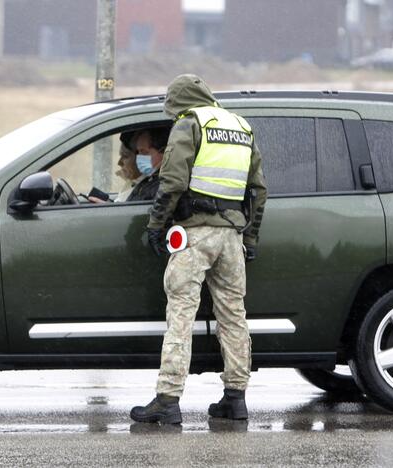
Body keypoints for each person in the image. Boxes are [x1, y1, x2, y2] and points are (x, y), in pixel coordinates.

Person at [130, 74, 267, 424]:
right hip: (232, 237)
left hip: (196, 233)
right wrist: (250, 238)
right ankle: (235, 398)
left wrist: (156, 224)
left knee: (181, 314)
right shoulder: (241, 127)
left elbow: (172, 181)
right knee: (234, 316)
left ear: (180, 102)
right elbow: (258, 190)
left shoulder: (190, 124)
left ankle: (168, 399)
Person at [125, 127, 169, 201]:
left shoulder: (164, 185)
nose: (139, 157)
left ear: (163, 152)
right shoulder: (148, 180)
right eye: (138, 152)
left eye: (144, 152)